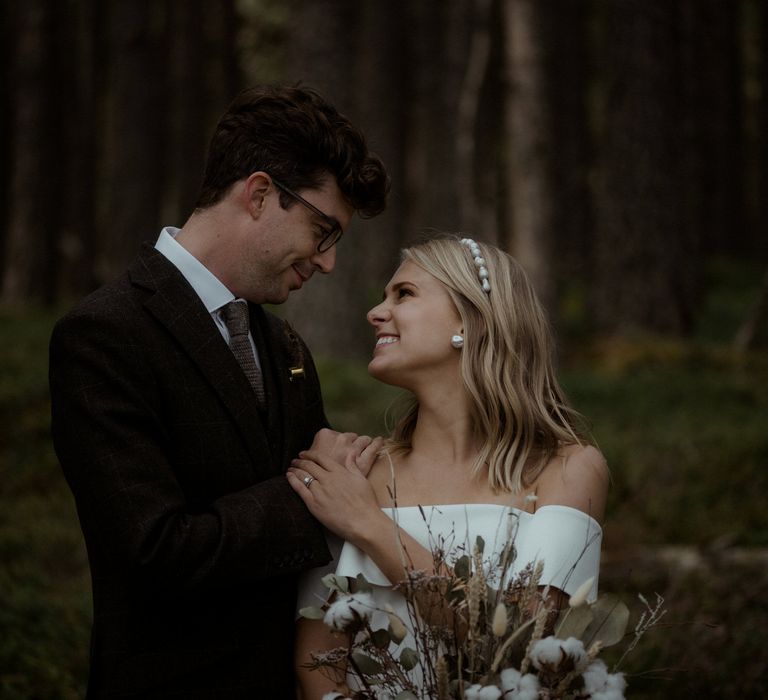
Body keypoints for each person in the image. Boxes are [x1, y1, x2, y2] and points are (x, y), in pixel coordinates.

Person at [49, 85, 388, 698]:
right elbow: (153, 553)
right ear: (259, 194)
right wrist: (312, 494)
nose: (328, 262)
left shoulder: (284, 346)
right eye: (323, 230)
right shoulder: (104, 334)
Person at [289, 236, 609, 699]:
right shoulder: (357, 471)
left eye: (404, 294)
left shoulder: (567, 469)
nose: (375, 312)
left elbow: (520, 645)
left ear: (471, 319)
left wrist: (370, 526)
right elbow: (315, 662)